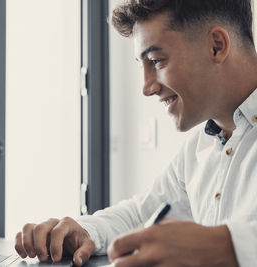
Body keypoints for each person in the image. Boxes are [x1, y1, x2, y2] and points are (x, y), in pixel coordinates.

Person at [15, 0, 257, 266]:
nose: (147, 87)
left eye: (156, 61)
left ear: (216, 46)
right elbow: (141, 214)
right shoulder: (198, 149)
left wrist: (228, 246)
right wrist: (85, 231)